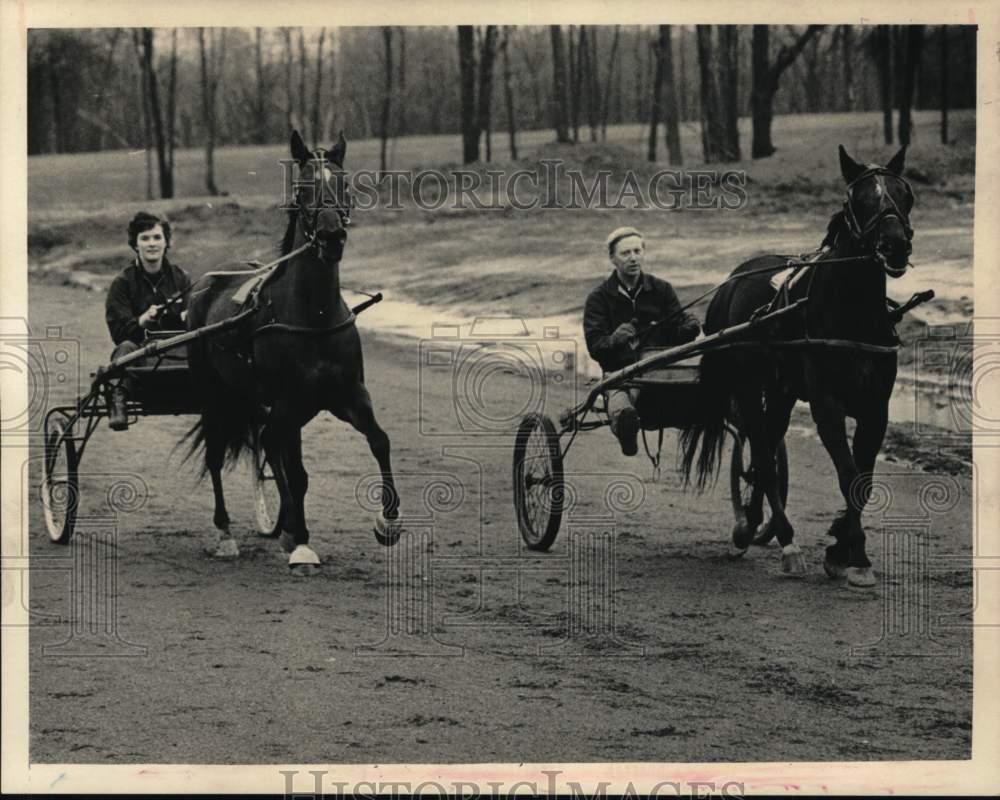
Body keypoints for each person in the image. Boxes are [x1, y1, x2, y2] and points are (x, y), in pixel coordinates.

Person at [583, 226, 701, 456]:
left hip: (665, 372)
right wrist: (615, 339)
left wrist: (690, 327)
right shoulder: (598, 299)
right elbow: (595, 348)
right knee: (622, 406)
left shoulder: (662, 289)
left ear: (643, 253)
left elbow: (680, 326)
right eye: (625, 253)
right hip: (622, 377)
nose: (633, 258)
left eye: (637, 251)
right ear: (612, 258)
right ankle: (627, 431)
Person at [104, 211, 192, 430]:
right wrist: (142, 320)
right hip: (142, 357)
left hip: (179, 356)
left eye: (157, 237)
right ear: (135, 244)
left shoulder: (181, 278)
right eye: (145, 238)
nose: (151, 244)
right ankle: (119, 402)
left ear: (166, 242)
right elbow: (119, 332)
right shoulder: (122, 283)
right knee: (124, 348)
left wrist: (186, 317)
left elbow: (196, 319)